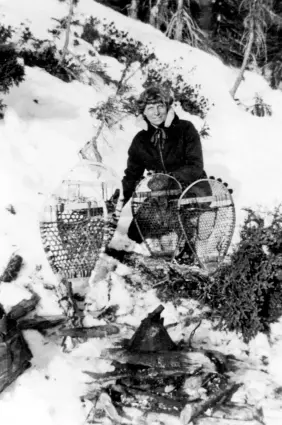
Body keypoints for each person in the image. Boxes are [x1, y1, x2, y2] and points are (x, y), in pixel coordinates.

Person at [121, 85, 209, 244]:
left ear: (167, 107)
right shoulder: (140, 140)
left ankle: (188, 244)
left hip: (193, 190)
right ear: (143, 112)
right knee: (135, 233)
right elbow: (131, 176)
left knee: (177, 222)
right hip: (161, 196)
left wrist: (169, 179)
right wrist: (117, 202)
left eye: (160, 106)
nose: (156, 112)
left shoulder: (185, 129)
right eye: (150, 108)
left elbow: (195, 166)